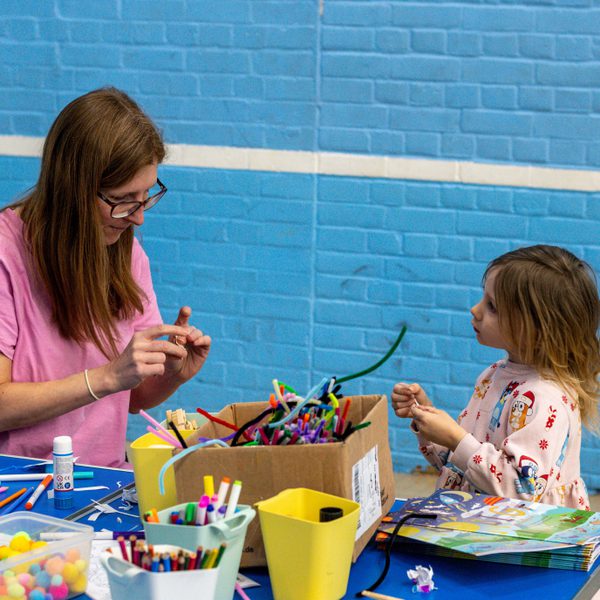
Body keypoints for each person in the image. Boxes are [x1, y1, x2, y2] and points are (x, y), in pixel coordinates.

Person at [0, 87, 211, 468]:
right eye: (124, 199)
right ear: (75, 191)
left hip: (102, 482)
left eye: (147, 194)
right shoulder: (6, 254)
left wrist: (172, 375)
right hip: (18, 489)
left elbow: (132, 396)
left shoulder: (127, 255)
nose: (139, 216)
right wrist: (107, 377)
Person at [391, 245, 600, 509]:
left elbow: (521, 489)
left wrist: (456, 438)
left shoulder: (545, 398)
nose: (475, 310)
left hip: (526, 538)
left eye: (493, 307)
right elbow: (464, 463)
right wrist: (425, 416)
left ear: (537, 329)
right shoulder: (494, 374)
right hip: (482, 527)